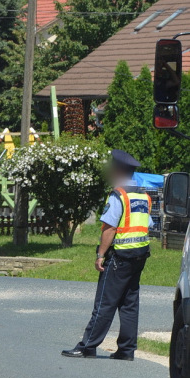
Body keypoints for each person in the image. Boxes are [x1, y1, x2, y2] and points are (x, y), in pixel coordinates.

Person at [62, 149, 153, 361]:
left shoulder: (118, 195)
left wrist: (100, 254)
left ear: (118, 171)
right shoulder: (143, 195)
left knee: (105, 302)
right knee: (129, 304)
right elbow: (147, 224)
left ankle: (87, 346)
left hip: (120, 256)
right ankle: (126, 350)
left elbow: (109, 228)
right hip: (140, 254)